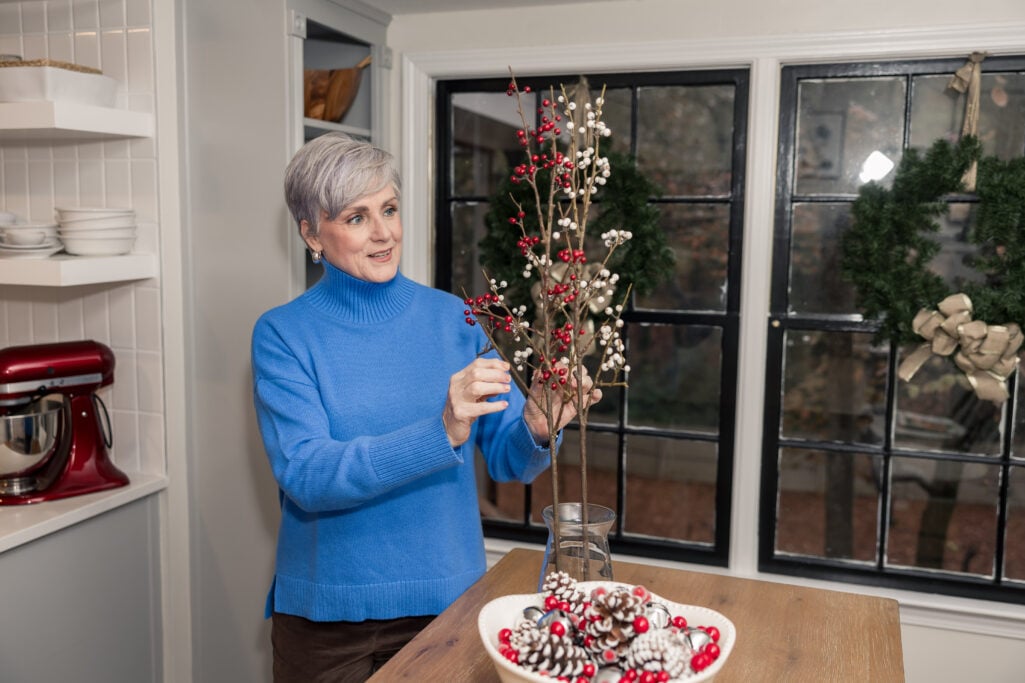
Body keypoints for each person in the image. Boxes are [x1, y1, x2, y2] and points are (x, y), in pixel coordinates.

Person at [251, 132, 600, 683]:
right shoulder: (283, 335)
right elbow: (307, 475)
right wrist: (440, 432)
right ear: (311, 233)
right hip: (325, 622)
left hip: (448, 608)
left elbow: (509, 461)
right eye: (357, 217)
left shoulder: (455, 319)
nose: (384, 232)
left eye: (389, 209)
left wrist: (536, 427)